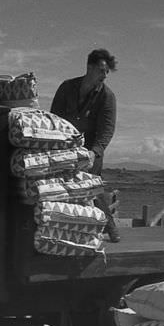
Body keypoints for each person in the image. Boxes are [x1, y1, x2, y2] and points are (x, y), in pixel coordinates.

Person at [50, 48, 119, 242]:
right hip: (65, 147)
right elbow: (54, 117)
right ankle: (70, 230)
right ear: (89, 67)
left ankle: (111, 228)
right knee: (62, 189)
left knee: (91, 187)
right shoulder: (67, 88)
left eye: (107, 72)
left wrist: (93, 153)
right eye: (101, 70)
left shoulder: (107, 96)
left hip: (91, 150)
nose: (104, 75)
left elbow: (107, 130)